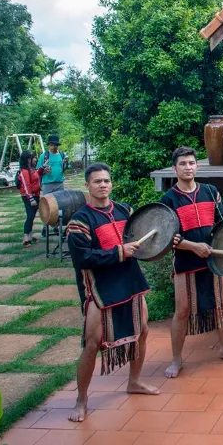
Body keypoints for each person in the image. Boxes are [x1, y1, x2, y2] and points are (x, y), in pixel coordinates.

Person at [65, 163, 158, 422]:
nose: (103, 185)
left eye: (106, 180)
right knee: (92, 344)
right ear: (87, 185)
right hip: (99, 289)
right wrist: (119, 252)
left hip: (130, 281)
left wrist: (162, 242)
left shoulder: (124, 210)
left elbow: (141, 241)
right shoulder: (79, 222)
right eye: (97, 181)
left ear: (111, 183)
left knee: (143, 332)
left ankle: (134, 382)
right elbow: (82, 258)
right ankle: (81, 399)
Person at [160, 147, 223, 378]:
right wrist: (193, 247)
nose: (188, 167)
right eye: (183, 164)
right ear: (174, 168)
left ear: (197, 166)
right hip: (186, 261)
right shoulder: (168, 200)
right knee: (182, 311)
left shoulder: (211, 192)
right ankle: (176, 360)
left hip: (215, 261)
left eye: (191, 163)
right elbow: (168, 239)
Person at [16, 150, 45, 247]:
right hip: (29, 196)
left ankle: (29, 236)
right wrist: (31, 199)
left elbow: (36, 176)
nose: (34, 159)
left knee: (32, 216)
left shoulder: (32, 169)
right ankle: (25, 238)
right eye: (31, 158)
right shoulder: (24, 171)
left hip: (35, 194)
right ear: (27, 159)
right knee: (30, 216)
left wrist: (42, 169)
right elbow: (26, 185)